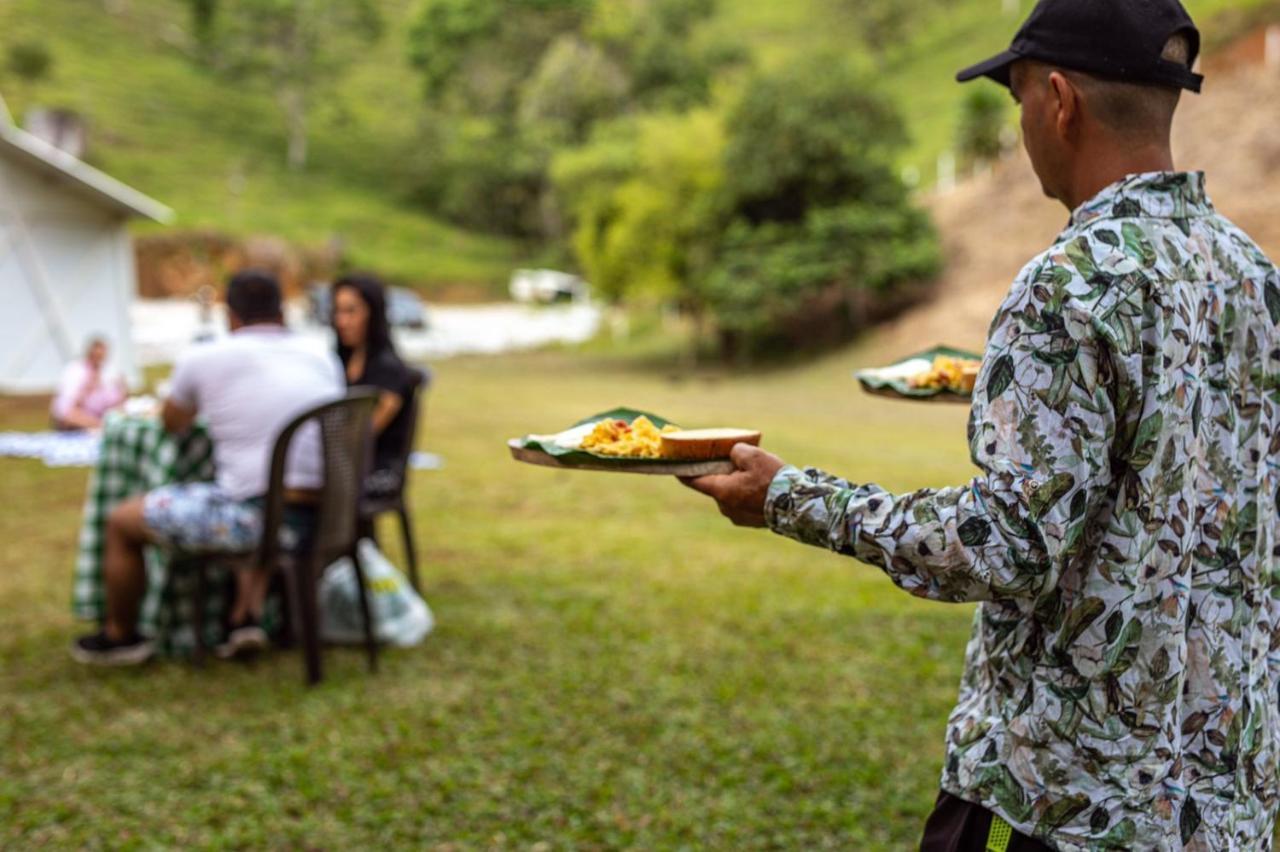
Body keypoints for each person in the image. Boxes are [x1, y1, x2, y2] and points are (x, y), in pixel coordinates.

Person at [682, 1, 1280, 849]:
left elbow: (1007, 545)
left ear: (1060, 102)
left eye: (1020, 97)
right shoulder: (1257, 278)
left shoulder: (1064, 285)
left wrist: (791, 498)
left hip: (1077, 806)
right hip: (1224, 803)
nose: (1025, 122)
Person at [72, 270, 345, 666]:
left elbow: (172, 422)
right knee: (242, 484)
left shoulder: (205, 357)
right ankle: (243, 616)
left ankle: (122, 635)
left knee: (122, 521)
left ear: (230, 315)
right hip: (327, 515)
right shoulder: (321, 355)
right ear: (282, 311)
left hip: (260, 523)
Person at [330, 273, 421, 499]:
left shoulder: (389, 370)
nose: (342, 321)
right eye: (337, 311)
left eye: (351, 311)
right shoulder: (338, 362)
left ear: (373, 313)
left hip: (377, 472)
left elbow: (364, 432)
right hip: (344, 465)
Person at [50, 336, 127, 430]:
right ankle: (101, 426)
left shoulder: (109, 372)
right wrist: (88, 388)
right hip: (77, 417)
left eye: (101, 356)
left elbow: (117, 402)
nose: (98, 360)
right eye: (96, 356)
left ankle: (102, 426)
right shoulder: (74, 371)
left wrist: (121, 390)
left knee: (120, 413)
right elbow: (66, 408)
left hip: (98, 416)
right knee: (71, 416)